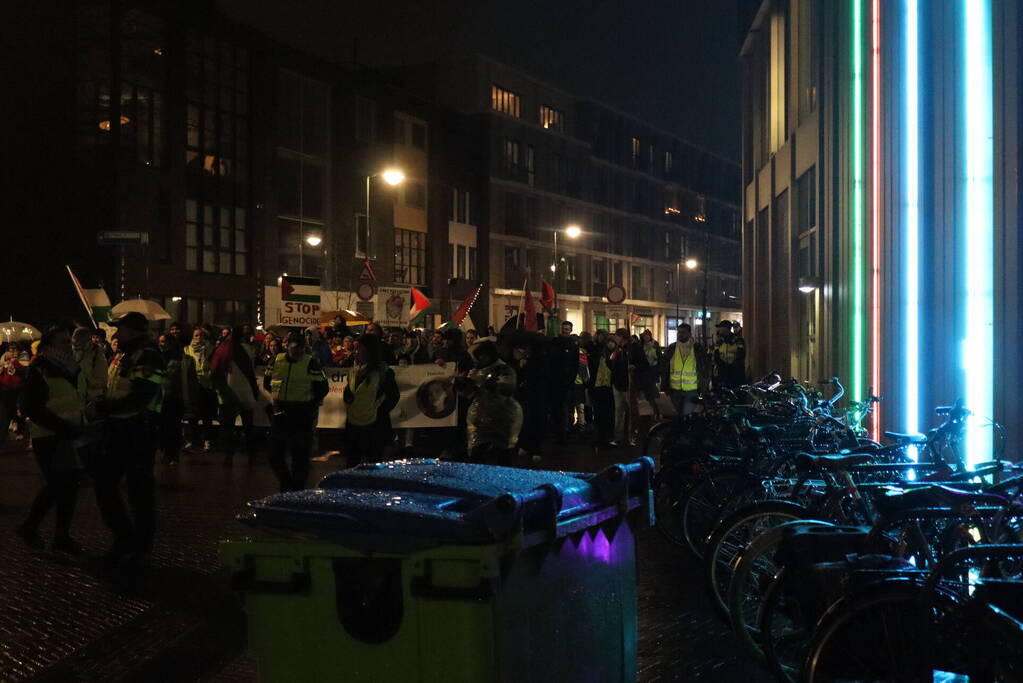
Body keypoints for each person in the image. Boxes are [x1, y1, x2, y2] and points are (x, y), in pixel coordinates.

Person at [89, 312, 166, 571]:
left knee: (138, 491)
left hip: (137, 430)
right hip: (118, 428)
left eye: (118, 328)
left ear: (132, 330)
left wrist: (105, 407)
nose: (115, 333)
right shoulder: (124, 354)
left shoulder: (147, 355)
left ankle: (139, 547)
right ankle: (125, 538)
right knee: (106, 484)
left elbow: (141, 395)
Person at [16, 327, 87, 554]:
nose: (69, 345)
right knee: (58, 485)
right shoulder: (40, 370)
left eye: (69, 341)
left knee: (69, 487)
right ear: (48, 347)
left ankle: (60, 535)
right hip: (49, 436)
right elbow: (30, 407)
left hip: (69, 434)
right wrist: (63, 426)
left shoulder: (70, 368)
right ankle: (32, 527)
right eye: (63, 342)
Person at [264, 333, 328, 492]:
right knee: (274, 454)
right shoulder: (277, 360)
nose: (297, 351)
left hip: (301, 413)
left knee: (300, 455)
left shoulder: (310, 362)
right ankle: (287, 484)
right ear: (287, 347)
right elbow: (267, 382)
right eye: (294, 348)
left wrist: (309, 404)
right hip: (281, 411)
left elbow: (322, 387)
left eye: (300, 348)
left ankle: (296, 489)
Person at [460, 340, 522, 465]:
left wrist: (488, 383)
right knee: (477, 449)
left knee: (502, 449)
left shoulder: (504, 369)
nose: (481, 358)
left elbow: (507, 388)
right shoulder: (476, 371)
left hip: (502, 413)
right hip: (481, 414)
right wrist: (463, 382)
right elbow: (467, 394)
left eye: (483, 355)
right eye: (480, 356)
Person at [342, 334, 399, 464]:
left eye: (359, 349)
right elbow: (349, 391)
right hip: (353, 426)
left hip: (374, 428)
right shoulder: (354, 370)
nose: (355, 353)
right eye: (355, 349)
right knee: (352, 465)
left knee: (373, 465)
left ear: (369, 351)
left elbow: (393, 396)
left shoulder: (383, 373)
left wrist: (376, 410)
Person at [210, 326, 260, 462]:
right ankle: (251, 454)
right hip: (246, 391)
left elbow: (214, 370)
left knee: (228, 426)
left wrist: (219, 389)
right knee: (248, 425)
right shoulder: (248, 349)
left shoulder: (221, 349)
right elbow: (251, 370)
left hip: (228, 392)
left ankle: (229, 454)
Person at [157, 334, 197, 464]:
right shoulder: (159, 357)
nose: (161, 344)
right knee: (164, 427)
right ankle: (167, 452)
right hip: (162, 398)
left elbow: (190, 381)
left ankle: (172, 454)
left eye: (163, 341)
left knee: (173, 427)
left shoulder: (183, 360)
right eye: (160, 341)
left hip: (174, 397)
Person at [660, 323, 704, 416]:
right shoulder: (671, 348)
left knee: (687, 416)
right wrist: (664, 385)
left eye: (683, 332)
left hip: (691, 390)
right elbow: (664, 367)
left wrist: (704, 388)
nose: (680, 334)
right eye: (679, 332)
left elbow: (704, 369)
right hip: (675, 390)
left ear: (689, 334)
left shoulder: (697, 348)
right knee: (677, 416)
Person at [184, 327, 216, 452]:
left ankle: (207, 440)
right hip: (193, 385)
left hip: (207, 385)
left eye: (201, 335)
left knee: (207, 415)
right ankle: (191, 441)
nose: (198, 338)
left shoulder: (210, 349)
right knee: (192, 415)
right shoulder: (187, 349)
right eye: (196, 335)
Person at [549, 320, 579, 442]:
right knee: (557, 408)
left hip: (567, 382)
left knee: (566, 408)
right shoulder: (555, 343)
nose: (565, 331)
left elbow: (575, 364)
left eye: (567, 329)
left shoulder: (573, 345)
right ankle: (558, 431)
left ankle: (565, 431)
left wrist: (571, 378)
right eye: (563, 329)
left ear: (570, 330)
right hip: (556, 381)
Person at [591, 336, 617, 445]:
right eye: (609, 342)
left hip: (611, 386)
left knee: (609, 412)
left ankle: (607, 435)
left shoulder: (616, 354)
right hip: (600, 386)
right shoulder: (601, 354)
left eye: (612, 342)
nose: (610, 344)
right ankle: (601, 435)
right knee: (600, 412)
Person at [610, 329, 633, 446]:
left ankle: (630, 437)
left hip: (628, 385)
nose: (615, 339)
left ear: (622, 337)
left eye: (616, 336)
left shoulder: (631, 349)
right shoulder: (617, 350)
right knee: (619, 412)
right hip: (618, 384)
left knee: (630, 412)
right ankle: (618, 437)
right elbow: (612, 365)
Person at [72, 327, 108, 404]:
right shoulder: (71, 351)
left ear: (87, 339)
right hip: (76, 397)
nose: (75, 341)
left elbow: (102, 381)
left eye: (80, 338)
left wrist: (84, 381)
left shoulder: (97, 354)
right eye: (74, 338)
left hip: (91, 398)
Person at [0, 343, 28, 442]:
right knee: (7, 410)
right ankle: (4, 432)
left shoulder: (22, 357)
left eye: (14, 349)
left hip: (18, 389)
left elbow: (25, 370)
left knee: (19, 410)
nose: (12, 351)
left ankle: (20, 431)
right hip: (6, 389)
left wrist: (16, 364)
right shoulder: (3, 360)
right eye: (10, 349)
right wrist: (3, 365)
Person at [713, 320, 746, 389]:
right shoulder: (719, 342)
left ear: (726, 328)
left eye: (720, 327)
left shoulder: (737, 340)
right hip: (723, 373)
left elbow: (741, 355)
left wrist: (733, 366)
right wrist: (722, 366)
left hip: (735, 373)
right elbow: (716, 355)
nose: (719, 329)